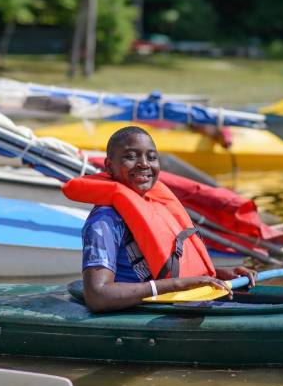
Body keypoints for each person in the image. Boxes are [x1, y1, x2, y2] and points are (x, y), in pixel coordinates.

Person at [62, 126, 257, 313]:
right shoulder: (104, 221)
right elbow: (98, 296)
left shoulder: (156, 206)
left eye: (152, 157)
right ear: (109, 166)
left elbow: (161, 268)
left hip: (179, 305)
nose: (144, 163)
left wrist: (215, 274)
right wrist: (179, 284)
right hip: (145, 316)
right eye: (130, 156)